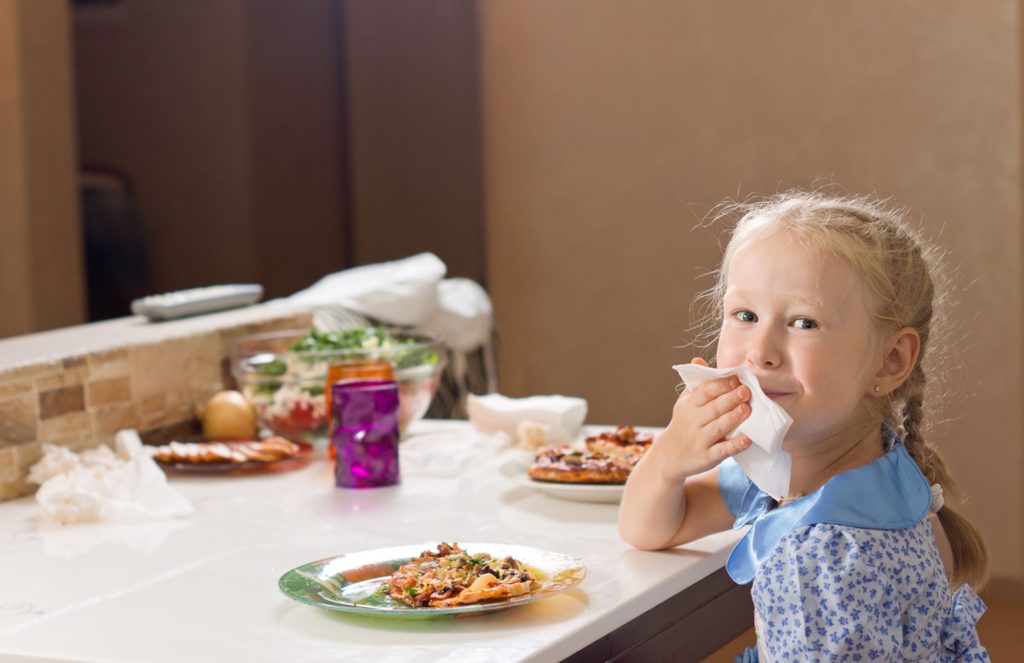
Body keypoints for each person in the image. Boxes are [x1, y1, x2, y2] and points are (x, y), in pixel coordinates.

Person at [618, 192, 989, 661]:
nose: (760, 352)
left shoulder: (822, 560)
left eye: (803, 322)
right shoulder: (832, 471)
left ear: (890, 361)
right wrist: (670, 460)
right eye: (746, 316)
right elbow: (648, 529)